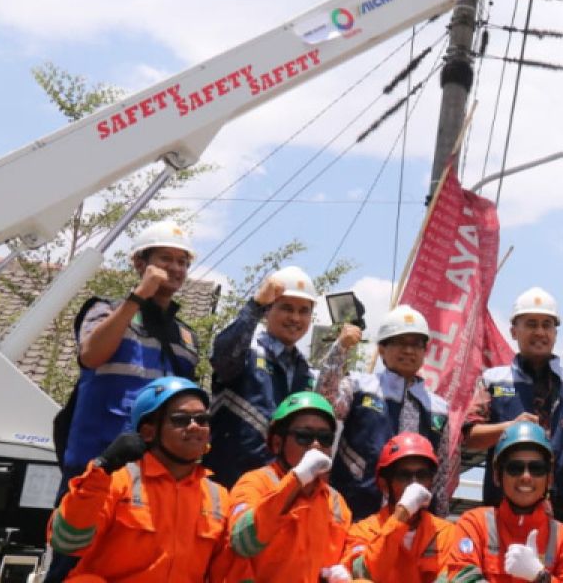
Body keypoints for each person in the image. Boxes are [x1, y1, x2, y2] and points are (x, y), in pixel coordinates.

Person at [48, 221, 200, 581]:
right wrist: (137, 298)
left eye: (183, 262)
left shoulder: (185, 336)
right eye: (166, 259)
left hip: (155, 473)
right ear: (140, 263)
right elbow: (92, 355)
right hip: (98, 465)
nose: (176, 269)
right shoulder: (105, 311)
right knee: (74, 560)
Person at [48, 376, 231, 582]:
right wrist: (101, 468)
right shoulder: (115, 481)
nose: (195, 426)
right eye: (180, 419)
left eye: (202, 420)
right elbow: (66, 541)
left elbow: (226, 571)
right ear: (148, 432)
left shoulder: (218, 497)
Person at [462, 286, 563, 534]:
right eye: (531, 324)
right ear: (513, 331)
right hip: (505, 505)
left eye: (547, 324)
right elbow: (469, 436)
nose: (540, 332)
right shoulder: (493, 380)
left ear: (555, 332)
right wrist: (508, 429)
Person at [316, 304, 452, 519]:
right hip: (354, 514)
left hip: (413, 525)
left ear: (425, 350)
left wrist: (439, 522)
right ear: (381, 349)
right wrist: (340, 349)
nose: (408, 350)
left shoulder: (438, 408)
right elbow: (324, 402)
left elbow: (442, 474)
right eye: (400, 342)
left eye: (416, 344)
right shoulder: (360, 386)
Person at [204, 265, 319, 487]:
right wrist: (254, 306)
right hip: (229, 485)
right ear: (268, 310)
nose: (295, 317)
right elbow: (223, 357)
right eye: (287, 308)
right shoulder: (246, 351)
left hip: (278, 490)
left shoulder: (305, 372)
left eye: (304, 311)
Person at [226, 391, 353, 583]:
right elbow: (242, 543)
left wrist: (343, 569)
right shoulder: (254, 483)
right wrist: (297, 478)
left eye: (325, 438)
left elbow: (347, 555)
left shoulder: (336, 502)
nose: (316, 445)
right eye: (304, 437)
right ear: (278, 444)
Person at [440, 422, 563, 583]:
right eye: (515, 468)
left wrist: (540, 577)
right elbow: (462, 577)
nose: (526, 477)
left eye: (536, 468)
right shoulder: (474, 525)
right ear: (497, 476)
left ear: (549, 479)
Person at [343, 433, 454, 583]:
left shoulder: (446, 533)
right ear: (384, 485)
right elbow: (362, 573)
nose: (414, 484)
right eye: (404, 476)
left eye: (422, 475)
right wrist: (400, 516)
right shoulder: (362, 532)